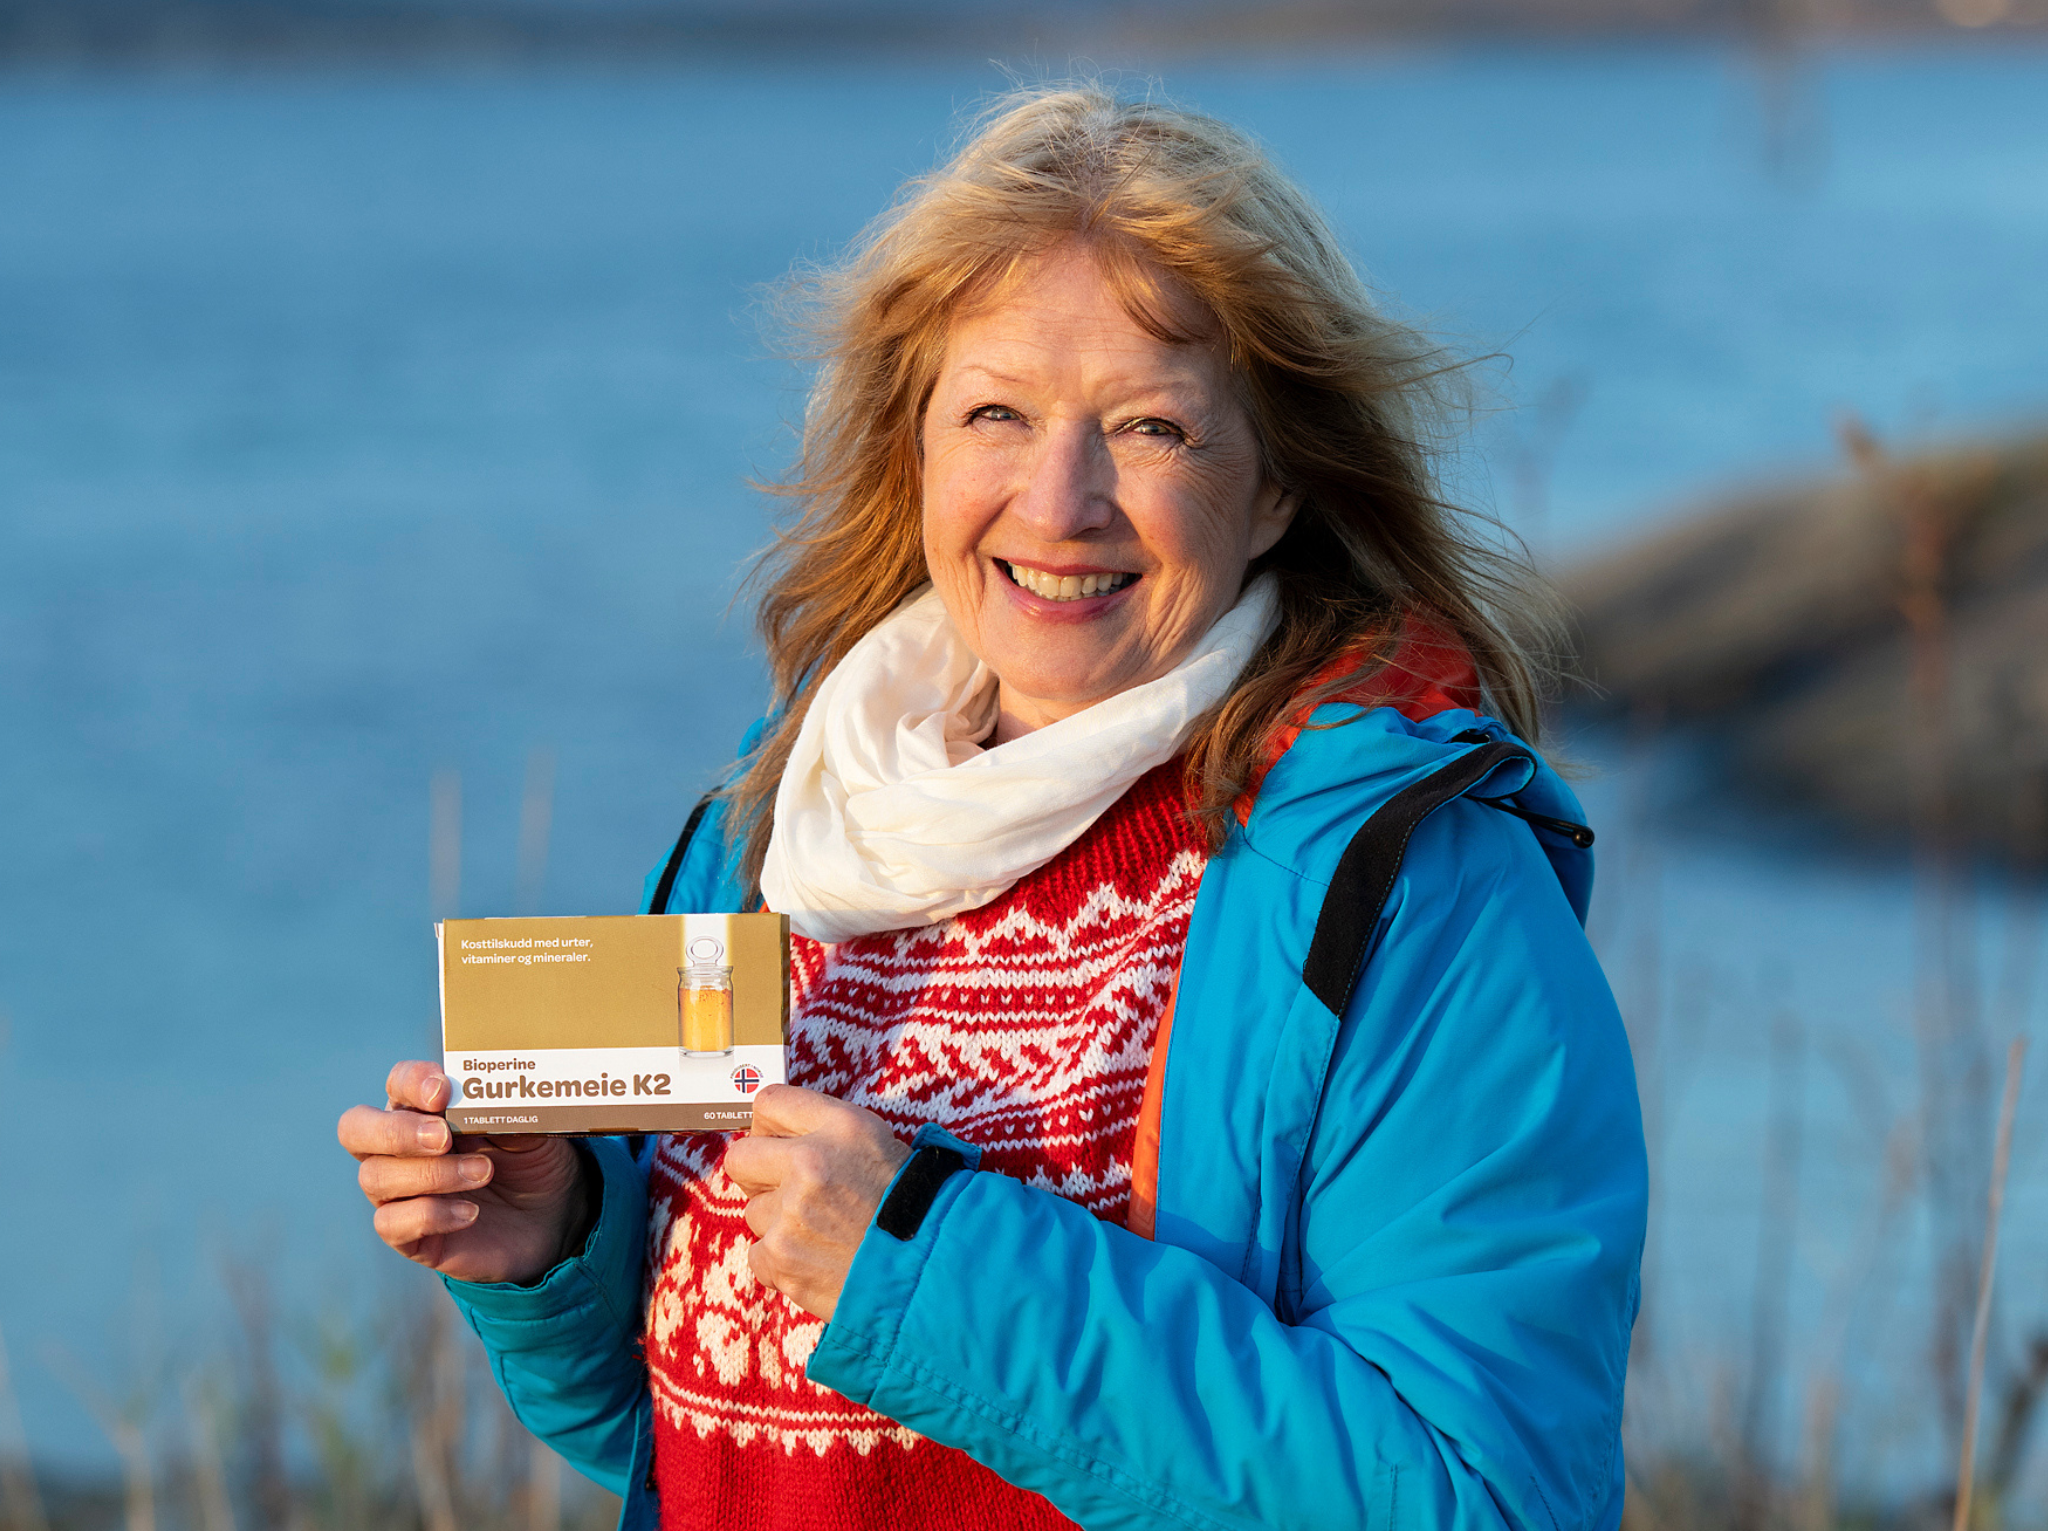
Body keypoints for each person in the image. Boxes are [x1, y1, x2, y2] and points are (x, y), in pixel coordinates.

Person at [338, 84, 1645, 1531]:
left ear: (1275, 485)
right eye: (996, 413)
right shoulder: (781, 824)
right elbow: (700, 1446)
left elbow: (1485, 1498)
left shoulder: (1414, 893)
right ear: (917, 446)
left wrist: (930, 1268)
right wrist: (558, 1245)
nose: (1058, 498)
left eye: (1150, 428)